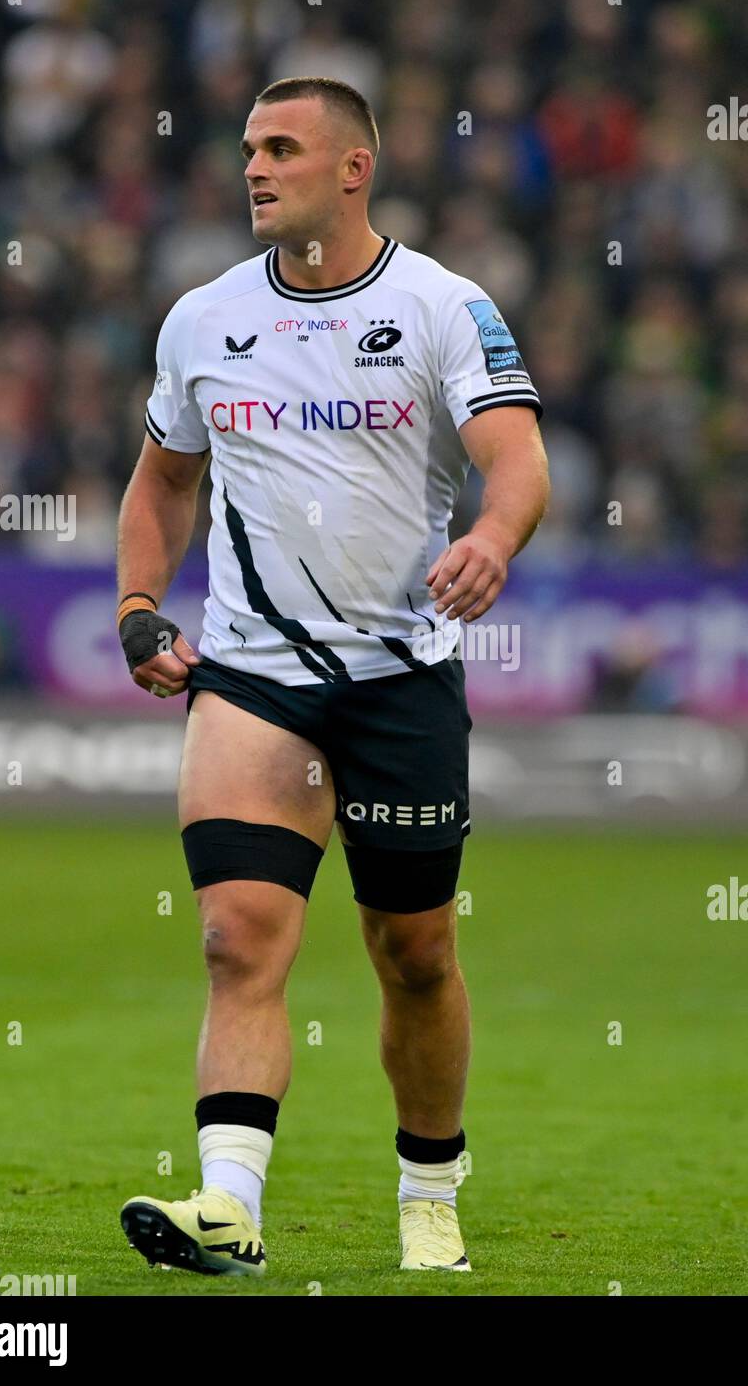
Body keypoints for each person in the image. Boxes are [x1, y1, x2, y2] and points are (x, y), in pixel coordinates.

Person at [115, 76, 549, 1276]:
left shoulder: (441, 307)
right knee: (235, 936)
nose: (253, 167)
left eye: (283, 148)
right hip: (251, 678)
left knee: (412, 953)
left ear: (352, 169)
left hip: (398, 676)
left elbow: (515, 459)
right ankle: (228, 1206)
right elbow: (161, 482)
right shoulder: (202, 317)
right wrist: (139, 609)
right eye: (249, 147)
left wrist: (492, 539)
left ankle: (428, 1185)